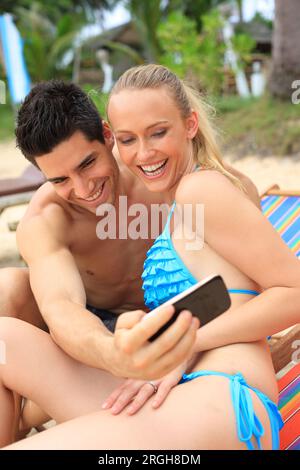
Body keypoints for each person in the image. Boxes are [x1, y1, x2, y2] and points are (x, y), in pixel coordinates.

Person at [3, 65, 300, 450]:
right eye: (59, 180)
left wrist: (184, 347)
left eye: (158, 133)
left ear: (189, 124)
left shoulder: (202, 189)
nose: (82, 188)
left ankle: (28, 416)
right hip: (154, 370)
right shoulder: (52, 218)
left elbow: (280, 287)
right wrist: (121, 355)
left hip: (221, 395)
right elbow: (61, 308)